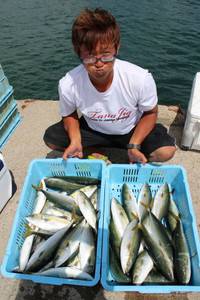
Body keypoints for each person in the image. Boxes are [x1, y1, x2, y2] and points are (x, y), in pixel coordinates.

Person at [43, 8, 176, 163]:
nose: (99, 63)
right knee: (51, 138)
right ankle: (94, 150)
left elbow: (150, 113)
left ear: (117, 47)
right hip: (93, 130)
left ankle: (128, 150)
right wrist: (75, 139)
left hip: (131, 129)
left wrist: (135, 143)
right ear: (78, 52)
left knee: (165, 151)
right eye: (90, 56)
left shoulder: (140, 78)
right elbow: (69, 114)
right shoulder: (68, 83)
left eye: (106, 55)